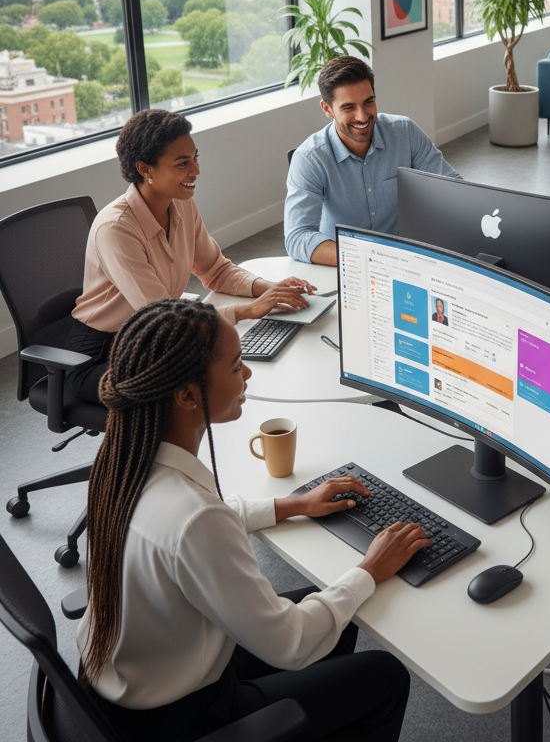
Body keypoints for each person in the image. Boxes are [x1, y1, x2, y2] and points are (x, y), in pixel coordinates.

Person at [73, 298, 428, 742]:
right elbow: (291, 643)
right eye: (237, 366)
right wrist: (370, 569)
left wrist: (292, 505)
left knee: (339, 615)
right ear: (187, 395)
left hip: (126, 679)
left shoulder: (122, 462)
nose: (248, 375)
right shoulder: (193, 517)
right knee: (384, 675)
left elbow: (193, 533)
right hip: (179, 718)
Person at [69, 109, 313, 403]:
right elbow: (166, 321)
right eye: (183, 163)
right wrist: (248, 310)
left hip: (151, 337)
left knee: (219, 359)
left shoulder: (181, 203)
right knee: (193, 382)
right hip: (103, 353)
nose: (196, 171)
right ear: (145, 169)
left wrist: (271, 288)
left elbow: (216, 270)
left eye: (196, 158)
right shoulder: (116, 230)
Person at [285, 56, 460, 266]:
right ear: (327, 109)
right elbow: (298, 237)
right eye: (349, 107)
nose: (362, 116)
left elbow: (451, 188)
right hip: (346, 266)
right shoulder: (310, 159)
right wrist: (370, 259)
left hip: (404, 262)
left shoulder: (405, 132)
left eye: (369, 102)